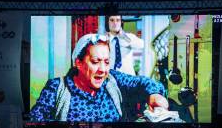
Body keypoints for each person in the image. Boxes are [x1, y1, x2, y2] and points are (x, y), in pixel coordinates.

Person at [30, 33, 168, 122]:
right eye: (95, 62)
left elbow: (144, 83)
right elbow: (35, 122)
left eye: (107, 62)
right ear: (78, 63)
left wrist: (155, 94)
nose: (102, 69)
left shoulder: (113, 80)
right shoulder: (56, 88)